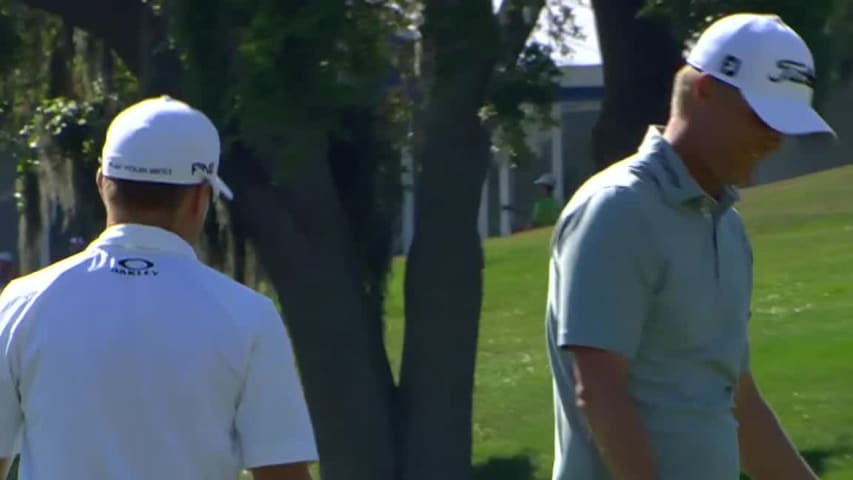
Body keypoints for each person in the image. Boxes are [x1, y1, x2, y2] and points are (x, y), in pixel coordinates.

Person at [546, 13, 834, 480]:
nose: (776, 139)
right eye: (763, 117)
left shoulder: (726, 227)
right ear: (705, 91)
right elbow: (600, 391)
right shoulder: (619, 208)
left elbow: (736, 402)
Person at [0, 96, 317, 480]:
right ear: (201, 197)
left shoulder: (22, 302)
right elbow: (282, 471)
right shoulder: (248, 316)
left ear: (103, 183)